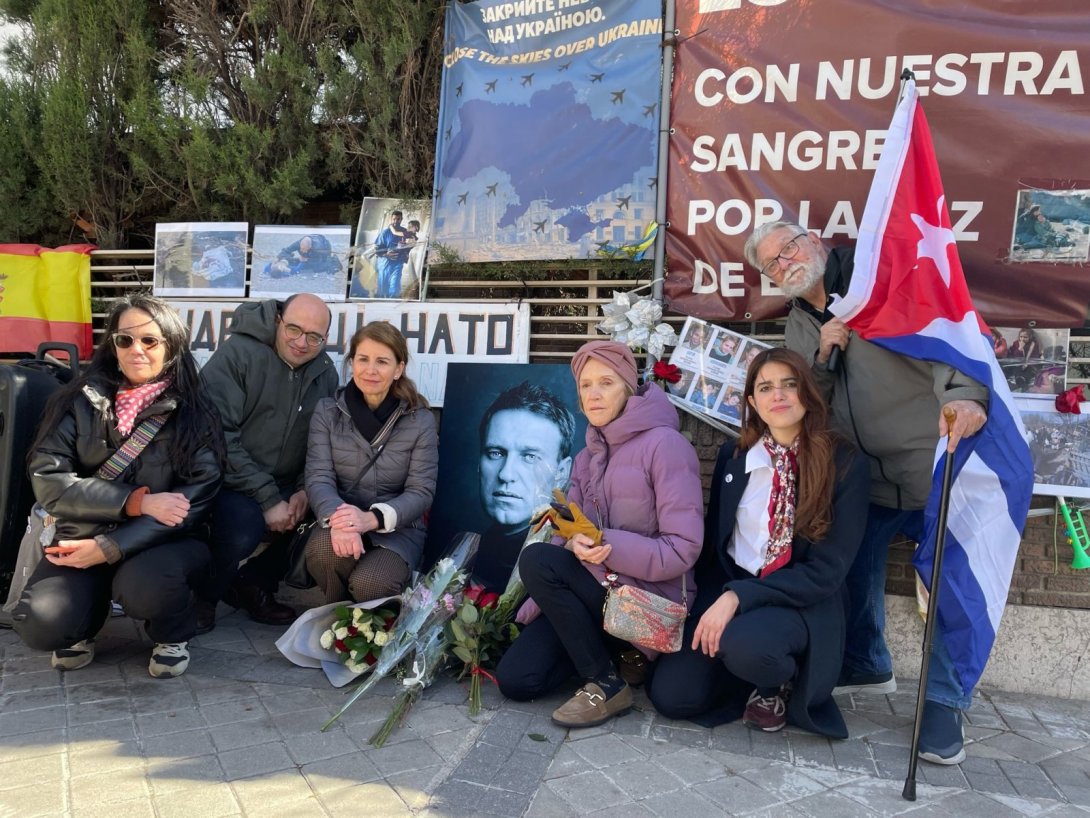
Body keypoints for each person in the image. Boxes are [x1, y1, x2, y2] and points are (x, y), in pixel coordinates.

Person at [743, 219, 989, 764]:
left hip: (930, 462)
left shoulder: (885, 279)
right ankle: (867, 662)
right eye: (773, 263)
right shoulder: (798, 324)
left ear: (814, 240)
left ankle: (944, 701)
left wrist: (968, 396)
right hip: (863, 477)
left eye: (789, 248)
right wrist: (821, 357)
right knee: (851, 570)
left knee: (950, 587)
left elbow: (947, 337)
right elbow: (810, 401)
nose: (785, 263)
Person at [648, 348, 868, 736]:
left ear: (807, 391)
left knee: (747, 647)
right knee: (673, 697)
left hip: (800, 599)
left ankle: (779, 681)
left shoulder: (844, 462)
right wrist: (703, 603)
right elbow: (717, 547)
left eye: (789, 384)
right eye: (766, 388)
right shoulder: (734, 457)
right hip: (734, 585)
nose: (778, 395)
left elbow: (826, 572)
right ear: (752, 401)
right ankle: (743, 676)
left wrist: (738, 598)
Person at [12, 295, 224, 678]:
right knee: (41, 622)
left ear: (172, 346)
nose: (136, 350)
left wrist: (112, 546)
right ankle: (84, 622)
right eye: (125, 339)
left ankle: (172, 633)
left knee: (147, 586)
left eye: (150, 340)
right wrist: (133, 502)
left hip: (163, 541)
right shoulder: (76, 401)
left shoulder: (196, 411)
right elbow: (49, 481)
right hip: (84, 535)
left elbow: (194, 499)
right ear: (112, 345)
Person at [495, 341, 703, 728]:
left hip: (645, 603)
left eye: (606, 382)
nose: (594, 394)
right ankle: (616, 659)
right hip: (594, 594)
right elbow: (569, 528)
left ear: (628, 386)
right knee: (517, 680)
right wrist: (573, 542)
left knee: (536, 558)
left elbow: (683, 549)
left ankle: (605, 683)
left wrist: (605, 544)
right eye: (586, 384)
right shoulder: (586, 456)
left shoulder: (666, 446)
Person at [195, 294, 339, 631]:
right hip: (230, 479)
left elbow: (322, 443)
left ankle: (252, 582)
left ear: (326, 338)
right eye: (294, 329)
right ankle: (203, 596)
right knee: (241, 529)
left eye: (314, 336)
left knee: (333, 514)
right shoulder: (237, 354)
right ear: (278, 321)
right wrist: (268, 499)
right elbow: (216, 436)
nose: (301, 343)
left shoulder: (325, 374)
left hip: (287, 483)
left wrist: (305, 489)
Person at [304, 322, 438, 602]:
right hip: (340, 519)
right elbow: (319, 477)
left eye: (382, 362)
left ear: (398, 369)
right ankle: (336, 612)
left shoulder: (420, 420)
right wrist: (342, 521)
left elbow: (421, 491)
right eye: (363, 359)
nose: (371, 370)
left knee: (372, 584)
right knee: (324, 552)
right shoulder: (328, 412)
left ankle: (372, 620)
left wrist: (371, 519)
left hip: (398, 529)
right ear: (352, 362)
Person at [473, 382, 576, 593]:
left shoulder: (572, 557)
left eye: (529, 457)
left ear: (562, 472)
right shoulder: (469, 556)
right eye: (495, 453)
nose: (506, 474)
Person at [374, 211, 413, 298]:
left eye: (398, 219)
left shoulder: (405, 232)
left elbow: (410, 245)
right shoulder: (385, 233)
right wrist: (386, 254)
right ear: (391, 219)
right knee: (382, 290)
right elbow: (377, 249)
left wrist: (406, 251)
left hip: (397, 264)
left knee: (394, 288)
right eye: (394, 219)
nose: (396, 221)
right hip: (385, 264)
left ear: (401, 219)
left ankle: (393, 303)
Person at [266, 234, 341, 278]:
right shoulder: (299, 243)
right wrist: (278, 257)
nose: (303, 251)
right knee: (295, 262)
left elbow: (322, 258)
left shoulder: (318, 248)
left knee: (316, 268)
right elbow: (286, 251)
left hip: (321, 255)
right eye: (301, 249)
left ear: (310, 247)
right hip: (307, 255)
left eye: (305, 250)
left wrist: (305, 261)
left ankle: (334, 261)